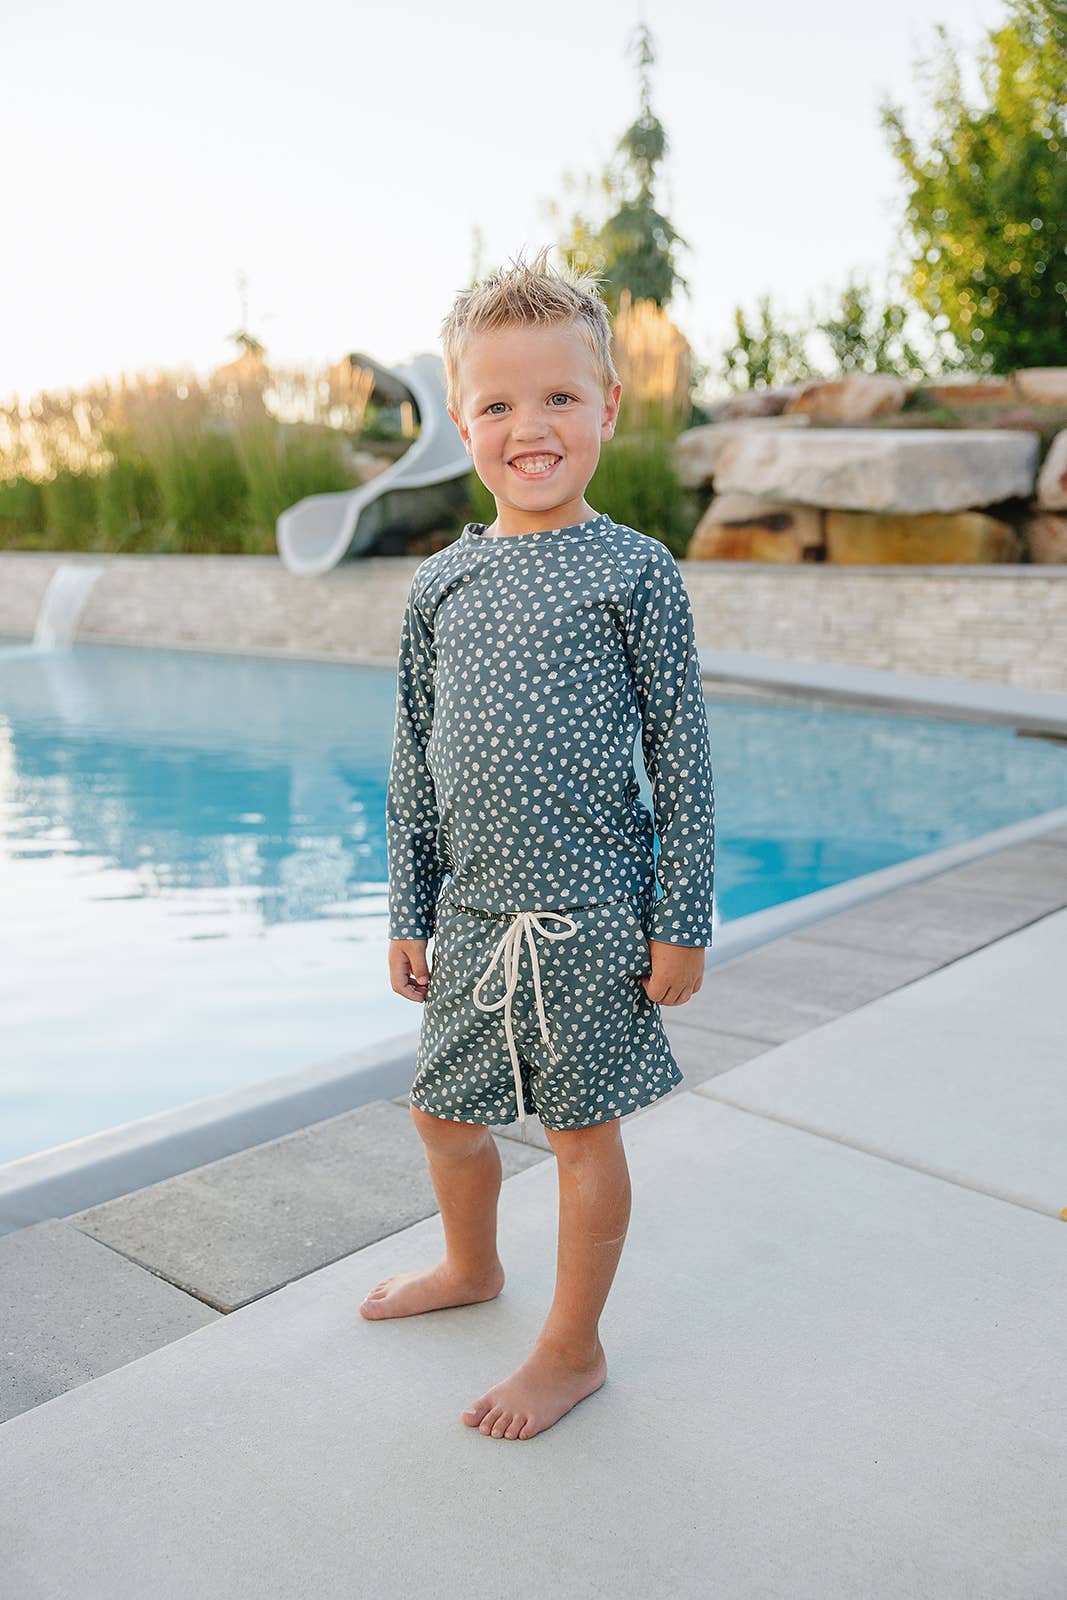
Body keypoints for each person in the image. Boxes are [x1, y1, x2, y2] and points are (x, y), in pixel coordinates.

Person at [361, 244, 716, 1443]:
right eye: (498, 404)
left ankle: (572, 1348)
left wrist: (680, 919)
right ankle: (472, 1265)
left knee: (577, 1136)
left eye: (558, 395)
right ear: (462, 422)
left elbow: (680, 759)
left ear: (606, 406)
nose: (530, 427)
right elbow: (414, 757)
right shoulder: (439, 586)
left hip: (592, 913)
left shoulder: (633, 572)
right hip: (471, 913)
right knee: (440, 1116)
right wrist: (407, 907)